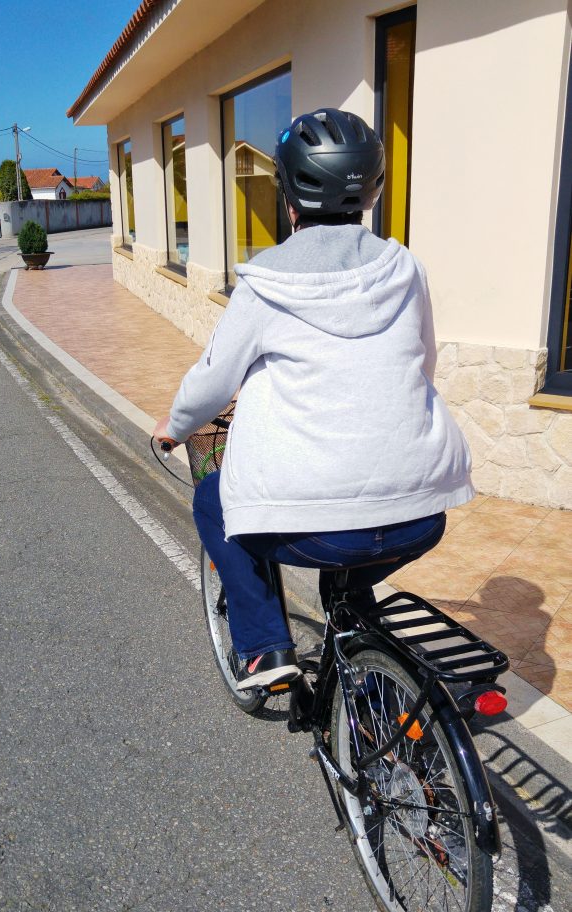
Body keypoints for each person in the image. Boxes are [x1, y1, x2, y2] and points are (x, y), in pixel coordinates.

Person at [154, 108, 474, 691]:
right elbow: (423, 362)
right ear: (370, 191)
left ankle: (264, 648)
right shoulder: (407, 267)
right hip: (422, 514)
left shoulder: (266, 282)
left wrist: (173, 427)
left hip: (317, 529)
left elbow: (213, 382)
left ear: (289, 195)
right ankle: (366, 659)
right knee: (356, 561)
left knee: (211, 501)